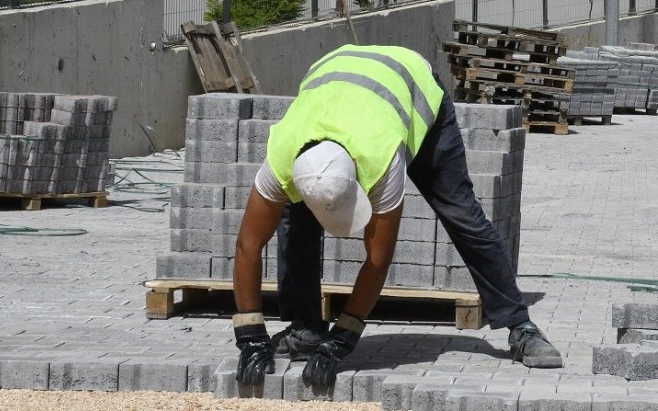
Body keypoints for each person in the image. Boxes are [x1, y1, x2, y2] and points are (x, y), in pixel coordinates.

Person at [230, 44, 563, 387]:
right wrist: (250, 335)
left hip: (412, 86)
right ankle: (307, 329)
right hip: (336, 76)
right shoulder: (283, 154)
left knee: (460, 212)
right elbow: (247, 246)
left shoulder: (381, 159)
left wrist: (343, 339)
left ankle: (520, 326)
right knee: (294, 220)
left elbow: (377, 261)